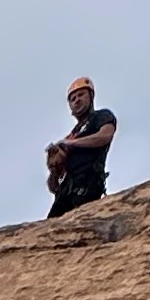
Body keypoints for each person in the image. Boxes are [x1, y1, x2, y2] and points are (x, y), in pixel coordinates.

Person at [46, 77, 118, 217]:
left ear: (91, 96)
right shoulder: (70, 136)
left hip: (87, 189)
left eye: (81, 95)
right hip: (65, 195)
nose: (76, 100)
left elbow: (104, 137)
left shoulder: (101, 116)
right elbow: (53, 187)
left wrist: (72, 144)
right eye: (72, 99)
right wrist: (54, 169)